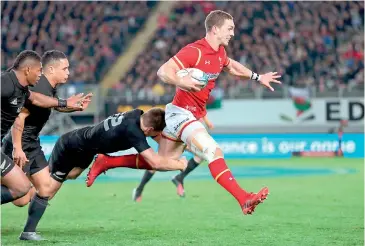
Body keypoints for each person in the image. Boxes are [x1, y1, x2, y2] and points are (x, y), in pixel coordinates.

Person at [86, 10, 281, 215]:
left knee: (161, 163)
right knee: (212, 151)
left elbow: (231, 67)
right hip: (181, 114)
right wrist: (181, 81)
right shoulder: (194, 51)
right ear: (215, 29)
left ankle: (107, 161)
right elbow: (163, 71)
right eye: (229, 28)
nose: (233, 33)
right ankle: (244, 198)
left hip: (184, 115)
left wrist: (258, 77)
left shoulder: (220, 53)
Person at [18, 108, 187, 240]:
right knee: (47, 190)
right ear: (149, 129)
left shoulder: (137, 115)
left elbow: (155, 133)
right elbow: (155, 162)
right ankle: (22, 198)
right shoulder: (133, 132)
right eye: (155, 133)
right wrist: (179, 164)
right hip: (70, 146)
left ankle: (28, 184)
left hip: (86, 148)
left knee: (73, 174)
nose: (156, 137)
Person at [1, 50, 93, 241]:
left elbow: (44, 102)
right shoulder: (32, 85)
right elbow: (20, 116)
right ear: (50, 69)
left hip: (31, 142)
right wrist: (17, 147)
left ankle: (28, 232)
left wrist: (70, 105)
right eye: (65, 68)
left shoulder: (39, 87)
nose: (69, 72)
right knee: (23, 194)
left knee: (39, 190)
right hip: (22, 143)